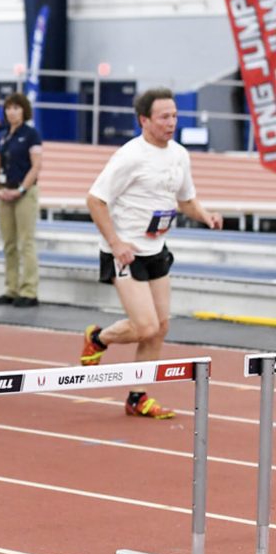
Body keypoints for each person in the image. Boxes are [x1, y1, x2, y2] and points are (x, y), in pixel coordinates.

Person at [80, 87, 221, 419]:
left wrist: (205, 215)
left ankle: (138, 397)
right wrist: (116, 243)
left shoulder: (179, 155)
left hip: (156, 249)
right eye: (164, 117)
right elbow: (95, 200)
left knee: (160, 327)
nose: (171, 122)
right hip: (125, 252)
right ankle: (98, 338)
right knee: (144, 327)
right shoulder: (130, 156)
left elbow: (185, 200)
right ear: (144, 120)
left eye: (174, 116)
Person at [0, 92, 42, 307]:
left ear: (24, 110)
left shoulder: (31, 135)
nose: (12, 112)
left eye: (16, 108)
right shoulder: (2, 136)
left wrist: (21, 190)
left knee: (25, 243)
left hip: (24, 195)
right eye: (9, 108)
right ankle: (11, 288)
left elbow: (36, 165)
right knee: (9, 244)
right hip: (5, 194)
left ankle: (29, 291)